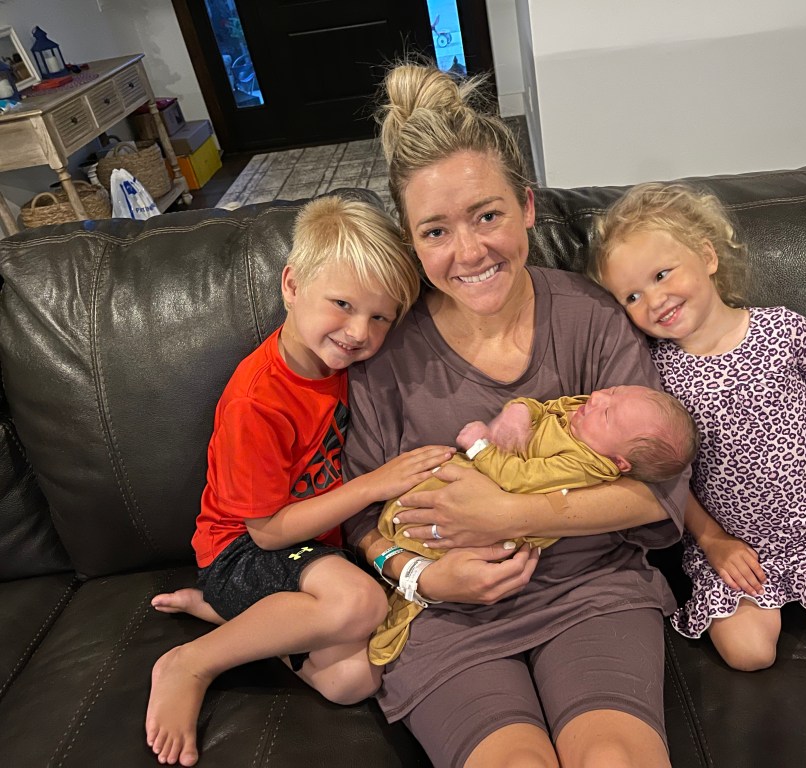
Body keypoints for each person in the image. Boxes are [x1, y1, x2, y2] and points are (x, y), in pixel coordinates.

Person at [341, 63, 691, 768]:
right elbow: (358, 521)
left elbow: (656, 487)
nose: (469, 252)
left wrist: (507, 513)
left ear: (527, 206)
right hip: (443, 615)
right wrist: (420, 578)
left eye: (488, 215)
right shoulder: (386, 358)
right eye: (435, 231)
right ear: (411, 241)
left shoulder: (590, 318)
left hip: (592, 590)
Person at [144, 196, 453, 767]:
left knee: (354, 681)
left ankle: (229, 614)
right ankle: (191, 662)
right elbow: (266, 532)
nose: (358, 331)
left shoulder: (350, 368)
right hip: (241, 549)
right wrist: (374, 485)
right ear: (291, 285)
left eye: (380, 317)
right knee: (359, 602)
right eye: (342, 304)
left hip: (310, 553)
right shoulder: (258, 400)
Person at [591, 181, 806, 682]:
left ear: (707, 256)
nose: (654, 299)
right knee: (748, 653)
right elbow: (663, 471)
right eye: (632, 295)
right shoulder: (653, 375)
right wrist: (713, 540)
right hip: (737, 547)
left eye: (662, 274)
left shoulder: (784, 329)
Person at [371, 386, 699, 665]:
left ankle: (401, 602)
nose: (597, 397)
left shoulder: (584, 464)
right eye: (613, 391)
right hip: (462, 498)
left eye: (608, 414)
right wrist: (519, 411)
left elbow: (519, 480)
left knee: (429, 538)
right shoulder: (583, 417)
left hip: (486, 530)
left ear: (619, 462)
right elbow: (548, 407)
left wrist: (479, 446)